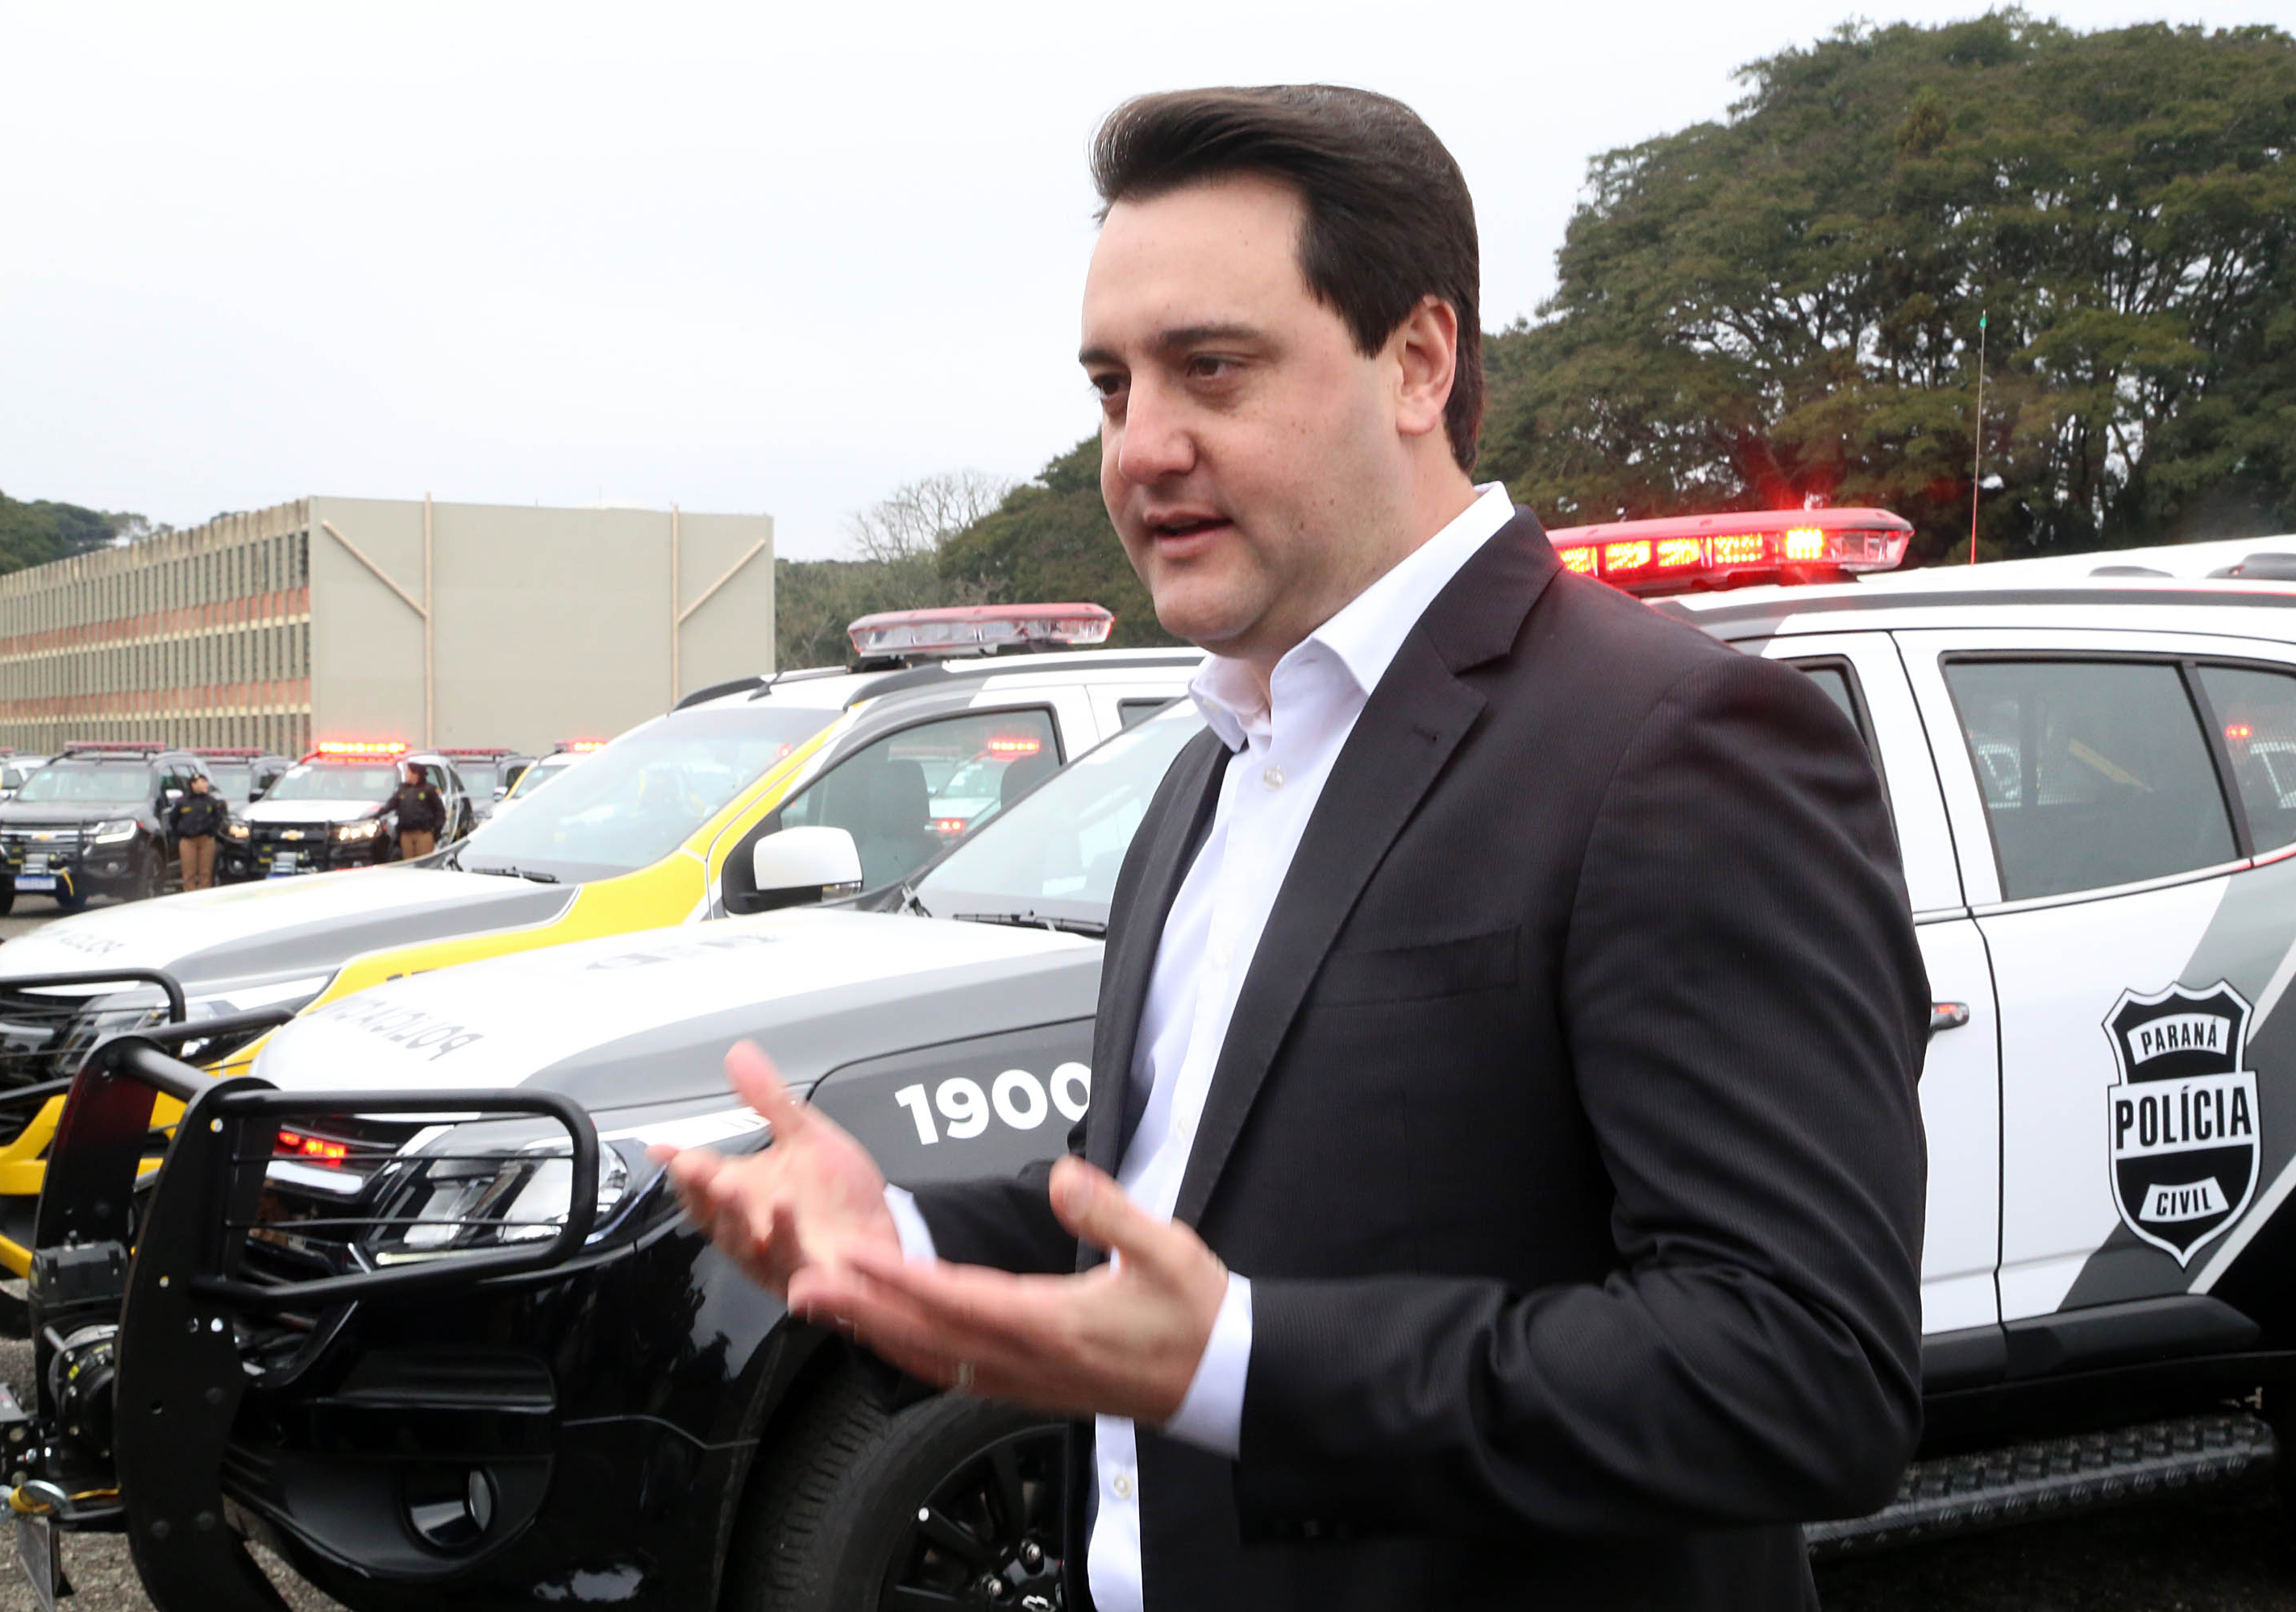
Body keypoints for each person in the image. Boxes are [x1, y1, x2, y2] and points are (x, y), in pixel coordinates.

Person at [660, 85, 1930, 1610]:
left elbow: (1801, 1373)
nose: (1142, 450)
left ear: (1416, 361)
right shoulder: (1217, 766)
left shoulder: (1681, 744)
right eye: (1113, 389)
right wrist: (906, 1231)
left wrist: (1249, 1369)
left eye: (1211, 370)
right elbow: (1185, 1200)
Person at [167, 772, 225, 892]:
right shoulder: (182, 802)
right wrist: (180, 834)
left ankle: (204, 895)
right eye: (202, 782)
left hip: (206, 840)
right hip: (188, 841)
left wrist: (212, 831)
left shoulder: (211, 801)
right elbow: (173, 819)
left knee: (205, 872)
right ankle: (189, 894)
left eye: (206, 782)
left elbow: (218, 818)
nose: (205, 785)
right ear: (193, 784)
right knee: (189, 873)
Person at [380, 762, 447, 860]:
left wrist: (436, 831)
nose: (407, 775)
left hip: (423, 833)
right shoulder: (403, 789)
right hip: (406, 834)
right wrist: (377, 814)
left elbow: (440, 812)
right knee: (408, 862)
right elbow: (391, 805)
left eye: (409, 772)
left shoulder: (429, 790)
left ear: (416, 774)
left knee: (423, 861)